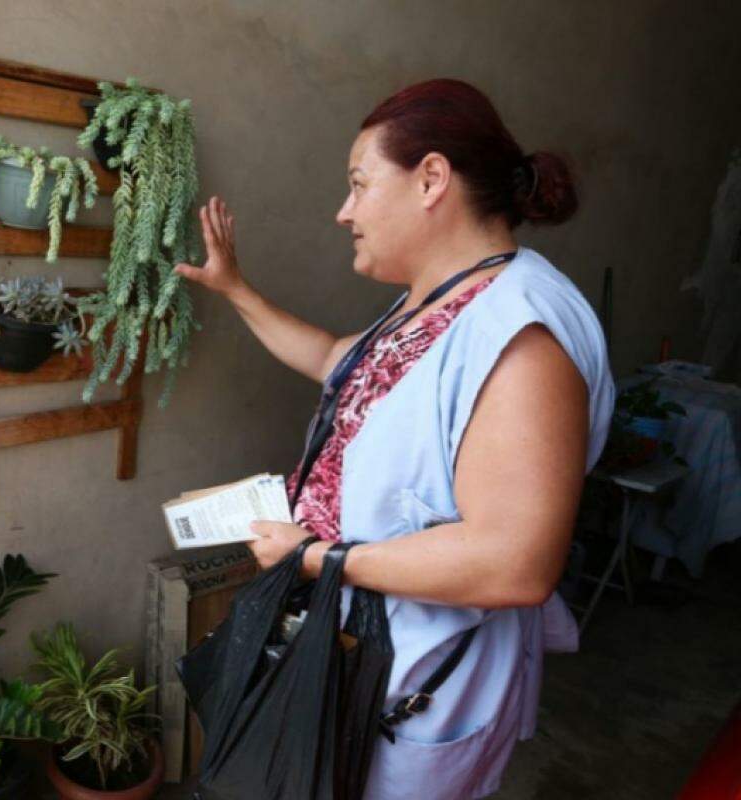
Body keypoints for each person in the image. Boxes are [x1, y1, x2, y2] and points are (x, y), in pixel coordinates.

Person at [176, 79, 614, 798]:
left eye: (358, 183)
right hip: (353, 652)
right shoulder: (437, 299)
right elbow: (333, 361)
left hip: (418, 680)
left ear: (432, 179)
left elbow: (517, 562)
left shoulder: (521, 335)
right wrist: (236, 290)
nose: (344, 210)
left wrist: (316, 556)